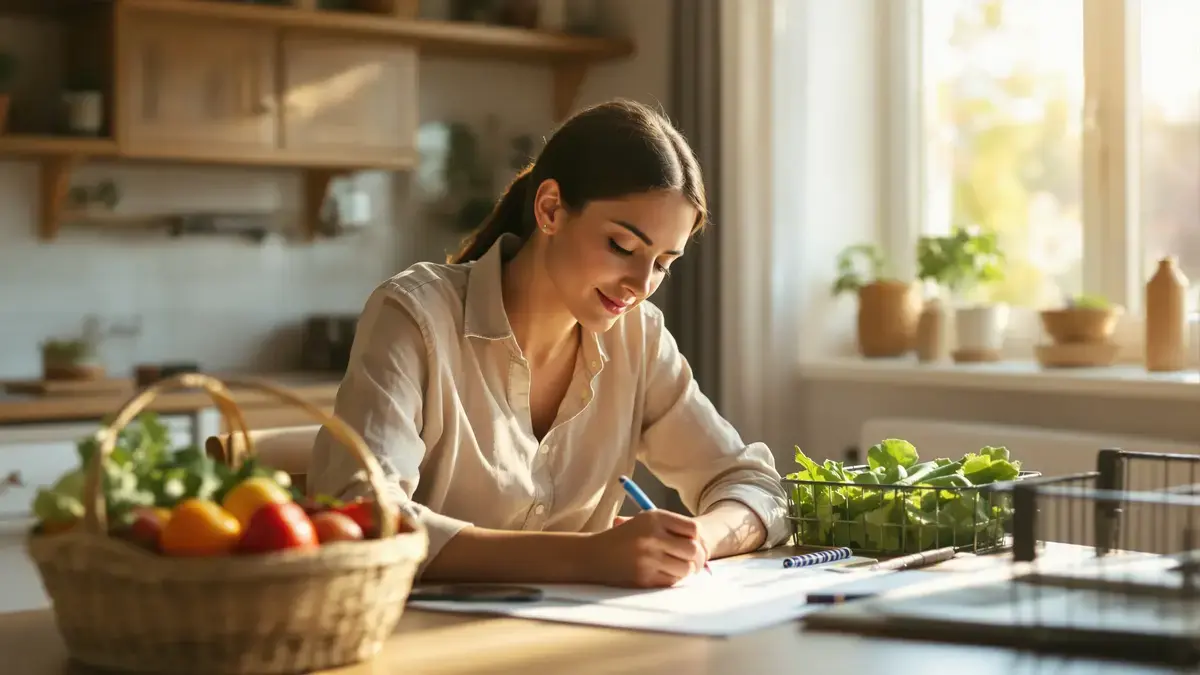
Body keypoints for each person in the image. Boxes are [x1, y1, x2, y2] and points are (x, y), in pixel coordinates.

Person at [308, 99, 788, 589]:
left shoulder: (638, 338)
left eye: (663, 262)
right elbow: (366, 518)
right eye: (622, 247)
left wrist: (696, 541)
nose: (641, 284)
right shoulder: (415, 316)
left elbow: (755, 486)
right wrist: (587, 557)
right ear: (551, 208)